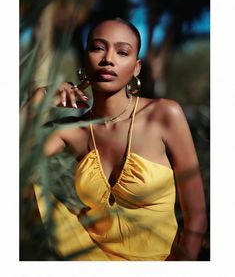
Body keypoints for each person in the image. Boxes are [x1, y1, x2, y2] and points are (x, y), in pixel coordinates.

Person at [26, 17, 207, 261]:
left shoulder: (164, 115)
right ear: (85, 60)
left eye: (122, 52)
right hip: (87, 258)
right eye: (98, 48)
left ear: (136, 67)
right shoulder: (72, 130)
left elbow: (196, 216)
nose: (108, 59)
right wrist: (38, 101)